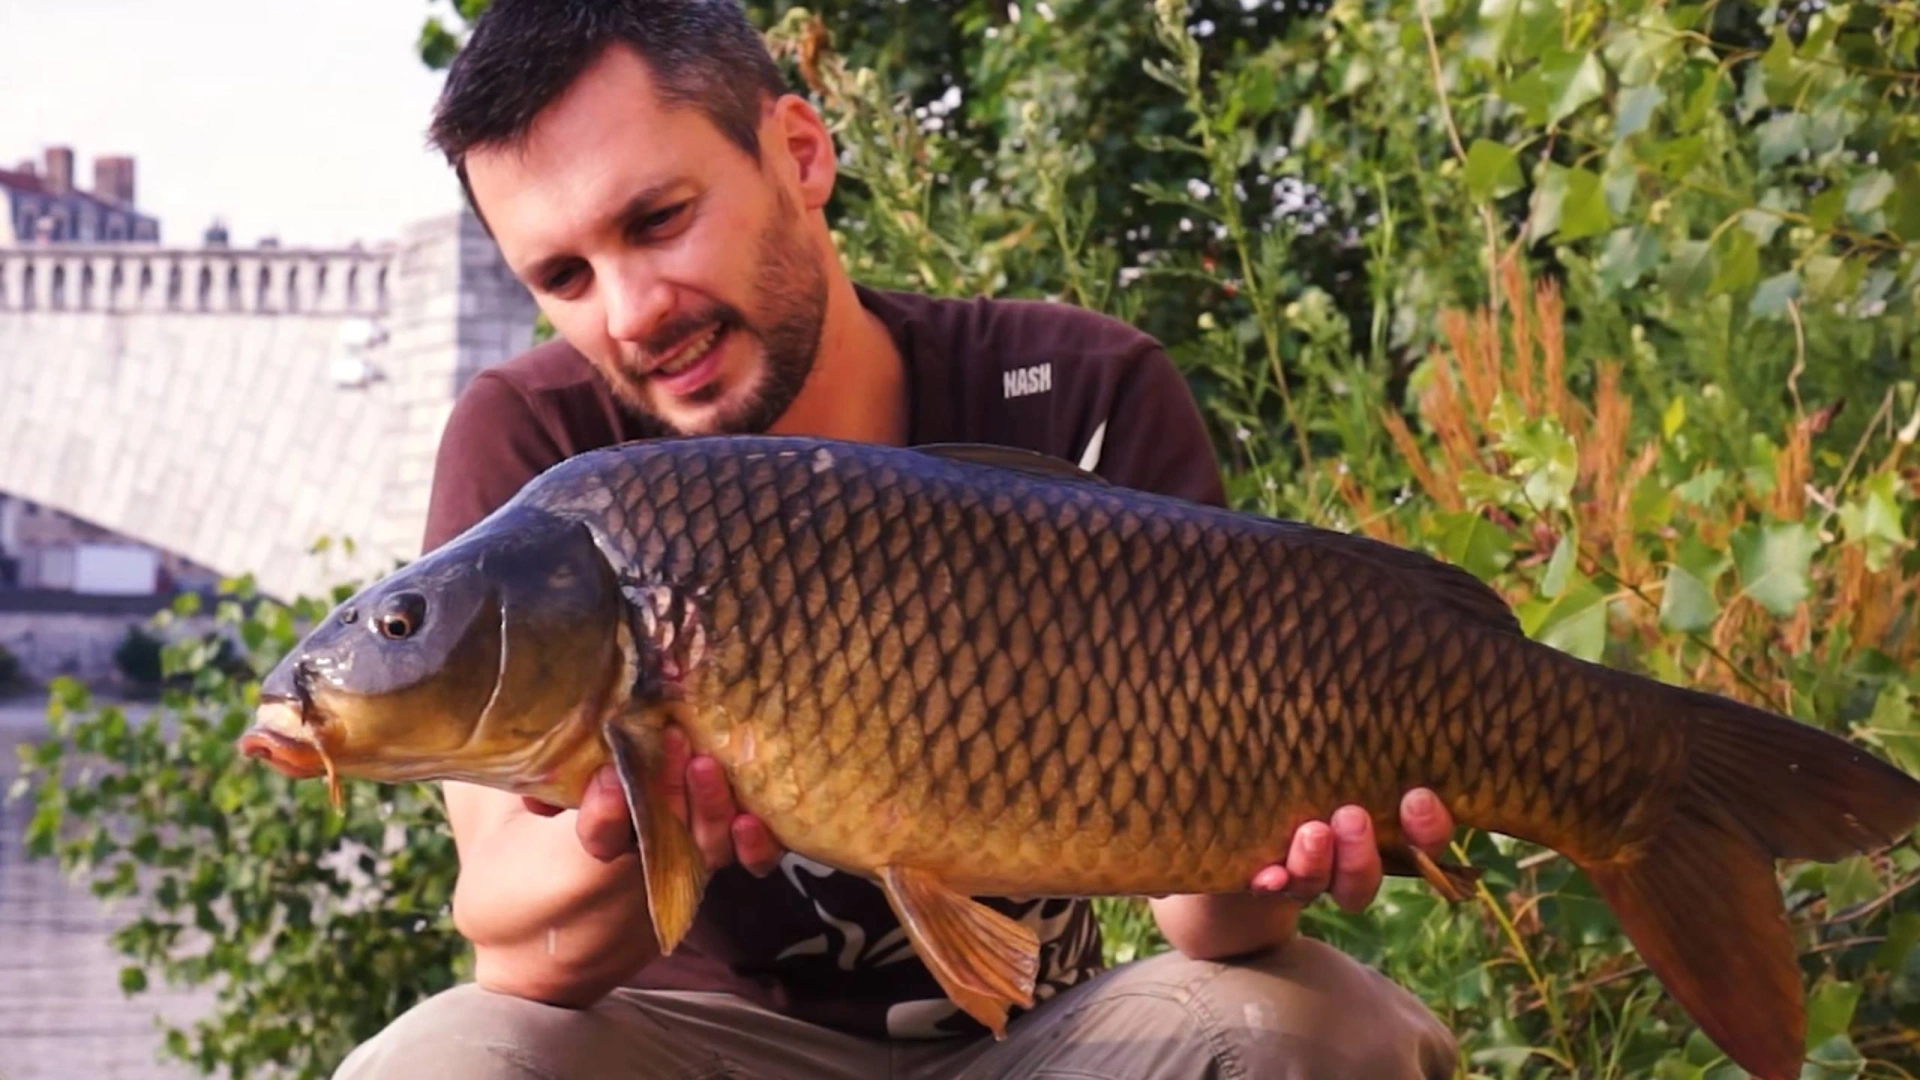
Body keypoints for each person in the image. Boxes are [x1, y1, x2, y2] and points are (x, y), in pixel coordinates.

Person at [335, 1, 1460, 1076]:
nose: (630, 312)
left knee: (1316, 1027)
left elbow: (1206, 916)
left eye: (660, 220)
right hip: (700, 1050)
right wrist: (640, 809)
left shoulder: (1081, 390)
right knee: (436, 1063)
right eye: (565, 278)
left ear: (802, 152)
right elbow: (510, 933)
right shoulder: (541, 449)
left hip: (1052, 1039)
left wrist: (1288, 839)